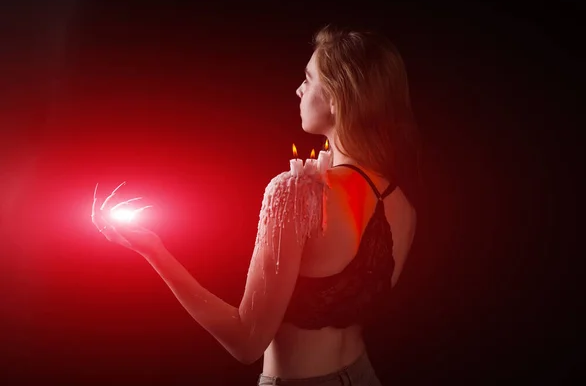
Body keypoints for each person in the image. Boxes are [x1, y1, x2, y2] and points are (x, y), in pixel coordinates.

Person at [91, 24, 418, 386]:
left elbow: (246, 342)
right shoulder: (400, 204)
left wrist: (154, 250)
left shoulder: (295, 193)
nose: (299, 88)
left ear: (337, 98)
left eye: (309, 79)